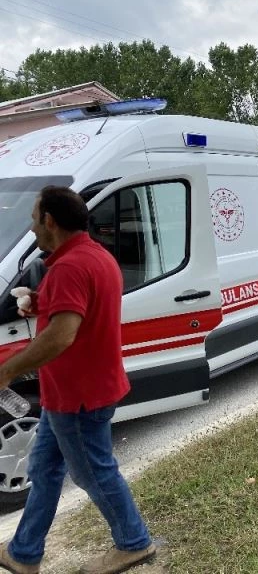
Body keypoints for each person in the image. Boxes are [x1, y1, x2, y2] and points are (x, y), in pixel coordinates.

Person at [0, 187, 155, 574]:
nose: (32, 225)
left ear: (49, 220)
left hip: (79, 395)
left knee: (93, 472)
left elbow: (62, 335)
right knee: (44, 469)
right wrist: (43, 301)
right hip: (72, 392)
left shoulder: (69, 266)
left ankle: (133, 543)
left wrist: (8, 370)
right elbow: (81, 308)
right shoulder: (94, 256)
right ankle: (24, 552)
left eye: (35, 217)